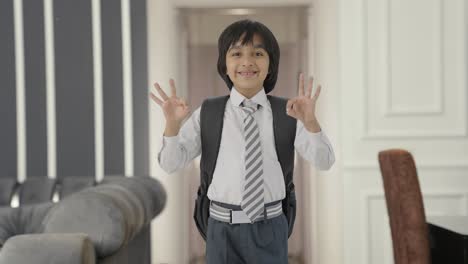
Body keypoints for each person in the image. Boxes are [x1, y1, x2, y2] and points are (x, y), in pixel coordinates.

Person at [150, 19, 335, 264]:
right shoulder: (208, 112)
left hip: (270, 227)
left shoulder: (288, 112)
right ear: (224, 66)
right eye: (236, 53)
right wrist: (172, 125)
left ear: (271, 65)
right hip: (221, 229)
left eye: (258, 53)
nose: (247, 61)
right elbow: (170, 164)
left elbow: (324, 161)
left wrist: (311, 122)